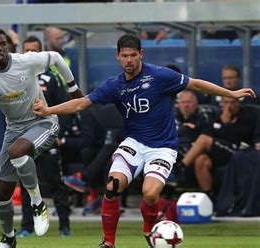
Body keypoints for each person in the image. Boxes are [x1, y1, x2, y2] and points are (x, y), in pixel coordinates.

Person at [32, 34, 255, 248]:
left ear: (141, 54)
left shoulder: (160, 76)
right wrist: (48, 110)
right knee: (113, 186)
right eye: (125, 56)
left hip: (162, 147)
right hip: (134, 143)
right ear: (117, 57)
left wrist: (231, 94)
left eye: (133, 55)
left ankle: (149, 230)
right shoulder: (114, 85)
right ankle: (108, 242)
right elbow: (81, 103)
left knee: (150, 194)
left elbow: (195, 84)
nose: (129, 60)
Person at [0, 27, 82, 248]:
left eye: (2, 43)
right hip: (14, 130)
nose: (0, 48)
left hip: (42, 123)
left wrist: (74, 89)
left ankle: (37, 202)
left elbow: (57, 58)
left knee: (17, 152)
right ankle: (8, 238)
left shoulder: (26, 60)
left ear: (8, 45)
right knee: (2, 195)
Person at [16, 36, 72, 238]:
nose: (30, 54)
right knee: (25, 185)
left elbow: (66, 106)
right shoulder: (15, 77)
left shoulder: (53, 78)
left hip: (47, 137)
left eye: (34, 51)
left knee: (56, 182)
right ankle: (27, 226)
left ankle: (65, 226)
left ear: (42, 54)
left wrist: (60, 133)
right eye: (26, 50)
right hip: (24, 140)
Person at [178, 96, 259, 200]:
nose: (229, 106)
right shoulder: (216, 115)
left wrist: (227, 124)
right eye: (226, 102)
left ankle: (181, 167)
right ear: (221, 103)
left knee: (204, 140)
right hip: (220, 152)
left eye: (232, 103)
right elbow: (213, 134)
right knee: (201, 160)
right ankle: (209, 198)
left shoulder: (246, 116)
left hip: (238, 152)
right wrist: (222, 122)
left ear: (238, 103)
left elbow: (236, 139)